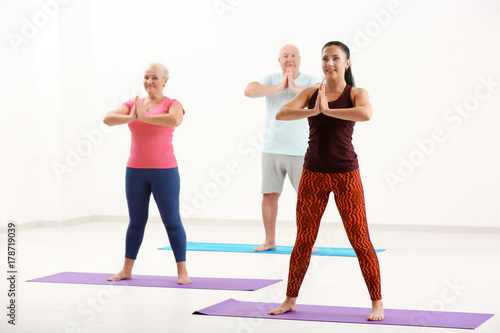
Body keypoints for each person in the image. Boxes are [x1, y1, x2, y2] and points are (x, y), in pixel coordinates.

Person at [268, 41, 384, 321]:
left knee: (360, 240)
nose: (329, 63)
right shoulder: (311, 92)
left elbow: (366, 114)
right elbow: (282, 113)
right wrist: (313, 111)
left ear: (347, 63)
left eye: (335, 58)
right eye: (325, 59)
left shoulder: (356, 93)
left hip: (346, 174)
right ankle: (290, 299)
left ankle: (377, 303)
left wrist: (328, 111)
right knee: (304, 240)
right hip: (313, 173)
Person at [103, 63, 190, 284]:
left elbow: (175, 120)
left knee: (171, 221)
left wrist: (143, 117)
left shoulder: (173, 104)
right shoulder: (135, 104)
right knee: (136, 222)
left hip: (165, 171)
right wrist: (132, 117)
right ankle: (126, 270)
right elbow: (108, 118)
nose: (149, 81)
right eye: (146, 77)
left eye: (154, 78)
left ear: (165, 81)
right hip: (135, 171)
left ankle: (182, 272)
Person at [244, 44, 321, 252]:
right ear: (279, 60)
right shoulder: (271, 79)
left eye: (293, 55)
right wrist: (279, 87)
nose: (289, 59)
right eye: (285, 56)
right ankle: (269, 240)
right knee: (269, 194)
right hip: (272, 149)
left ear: (300, 59)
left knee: (307, 198)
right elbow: (249, 90)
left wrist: (293, 88)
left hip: (301, 151)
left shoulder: (310, 80)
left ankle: (307, 241)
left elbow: (319, 93)